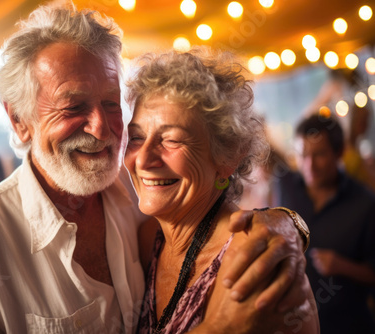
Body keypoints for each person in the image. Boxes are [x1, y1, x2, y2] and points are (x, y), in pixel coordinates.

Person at [0, 4, 310, 333]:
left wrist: (286, 223)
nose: (101, 127)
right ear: (19, 120)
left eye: (111, 103)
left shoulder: (146, 209)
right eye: (74, 106)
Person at [124, 48, 319, 333]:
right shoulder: (146, 241)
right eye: (137, 136)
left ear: (228, 157)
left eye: (172, 140)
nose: (142, 159)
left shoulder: (255, 259)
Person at [275, 113, 375, 333]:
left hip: (348, 326)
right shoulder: (286, 186)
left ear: (339, 153)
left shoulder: (366, 204)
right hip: (292, 324)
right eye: (302, 155)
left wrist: (342, 266)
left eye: (319, 154)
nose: (309, 165)